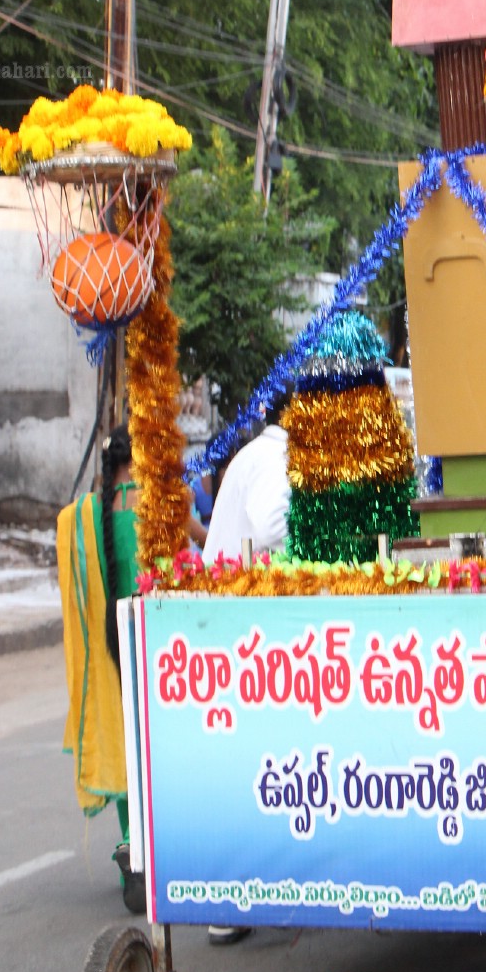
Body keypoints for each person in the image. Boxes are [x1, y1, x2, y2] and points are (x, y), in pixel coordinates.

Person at [200, 395, 292, 944]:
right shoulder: (276, 460)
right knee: (245, 759)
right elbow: (272, 528)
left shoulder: (256, 453)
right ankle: (229, 898)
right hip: (236, 626)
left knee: (245, 756)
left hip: (224, 620)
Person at [57, 423, 145, 913]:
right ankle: (154, 846)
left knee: (122, 739)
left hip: (108, 645)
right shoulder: (149, 502)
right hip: (147, 641)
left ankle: (131, 843)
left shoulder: (84, 516)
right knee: (150, 744)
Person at [202, 394, 292, 567]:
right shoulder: (276, 455)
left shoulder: (259, 451)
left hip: (229, 585)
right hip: (236, 587)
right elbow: (271, 530)